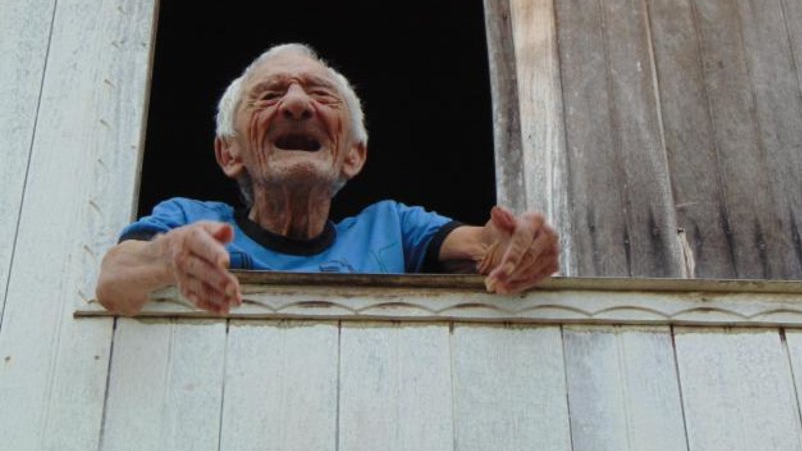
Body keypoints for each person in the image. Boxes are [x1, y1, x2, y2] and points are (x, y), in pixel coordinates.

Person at [97, 43, 559, 316]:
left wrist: (516, 246)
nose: (297, 105)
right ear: (228, 151)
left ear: (353, 154)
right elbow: (114, 280)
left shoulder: (391, 229)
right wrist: (169, 255)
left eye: (320, 93)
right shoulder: (188, 219)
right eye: (270, 94)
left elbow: (485, 247)